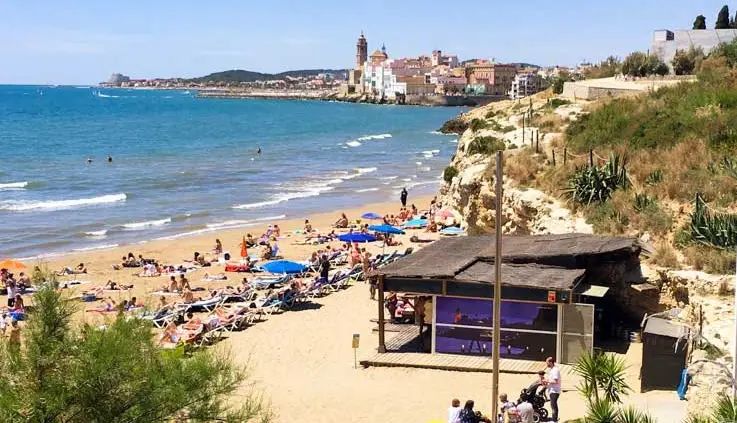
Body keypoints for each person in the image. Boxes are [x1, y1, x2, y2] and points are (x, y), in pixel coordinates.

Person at [545, 356, 561, 422]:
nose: (546, 364)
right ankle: (554, 419)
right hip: (552, 390)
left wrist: (547, 381)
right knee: (552, 405)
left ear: (551, 362)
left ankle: (554, 420)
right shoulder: (551, 370)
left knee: (553, 405)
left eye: (547, 362)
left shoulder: (555, 370)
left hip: (555, 391)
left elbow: (555, 381)